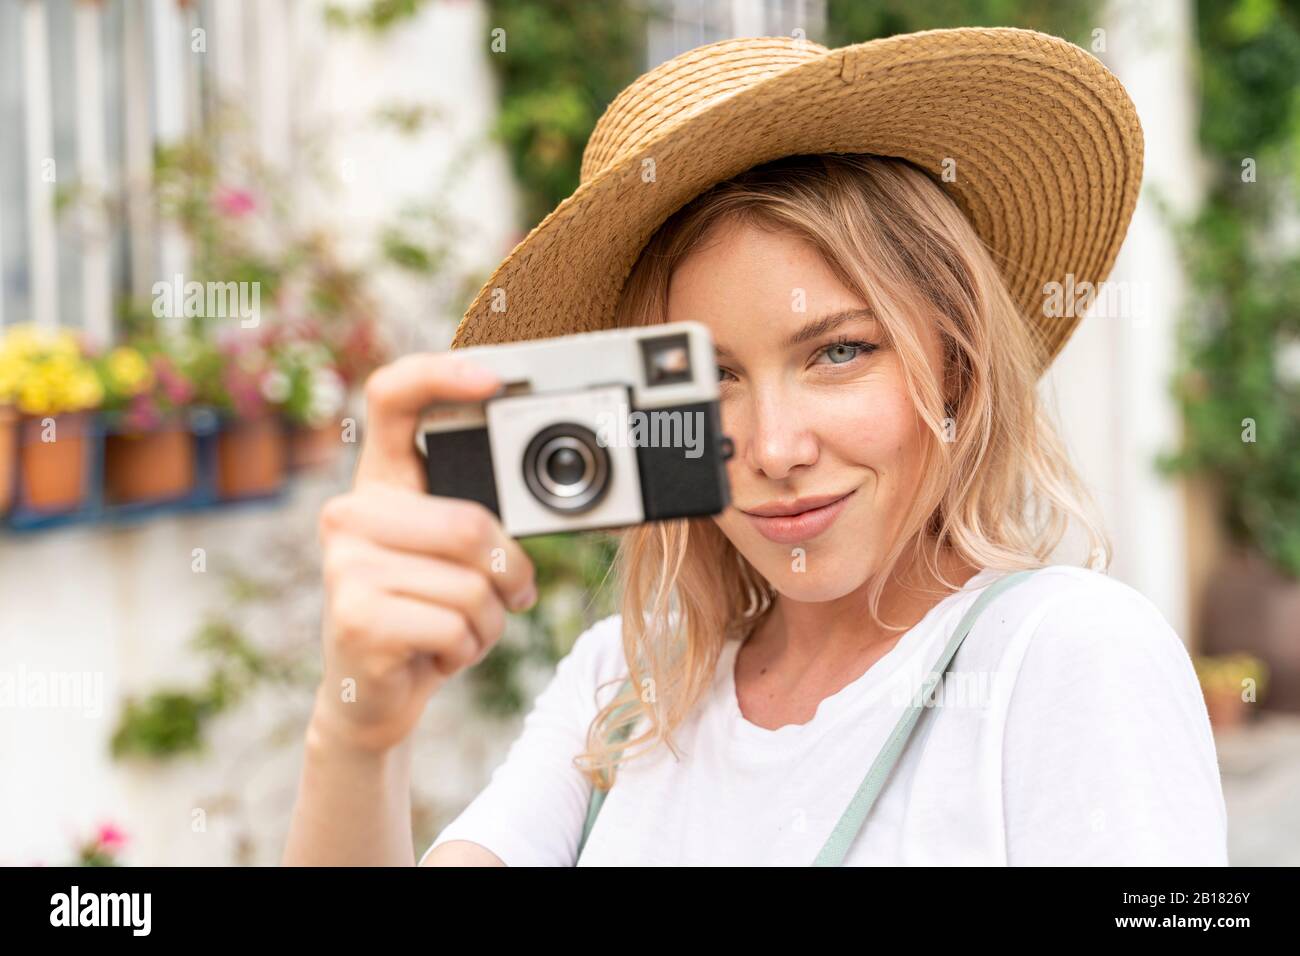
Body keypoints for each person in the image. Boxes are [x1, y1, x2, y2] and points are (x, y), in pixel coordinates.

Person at [283, 29, 1228, 866]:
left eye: (840, 351)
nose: (774, 448)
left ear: (955, 364)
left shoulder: (1062, 655)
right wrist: (356, 735)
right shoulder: (623, 688)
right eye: (709, 380)